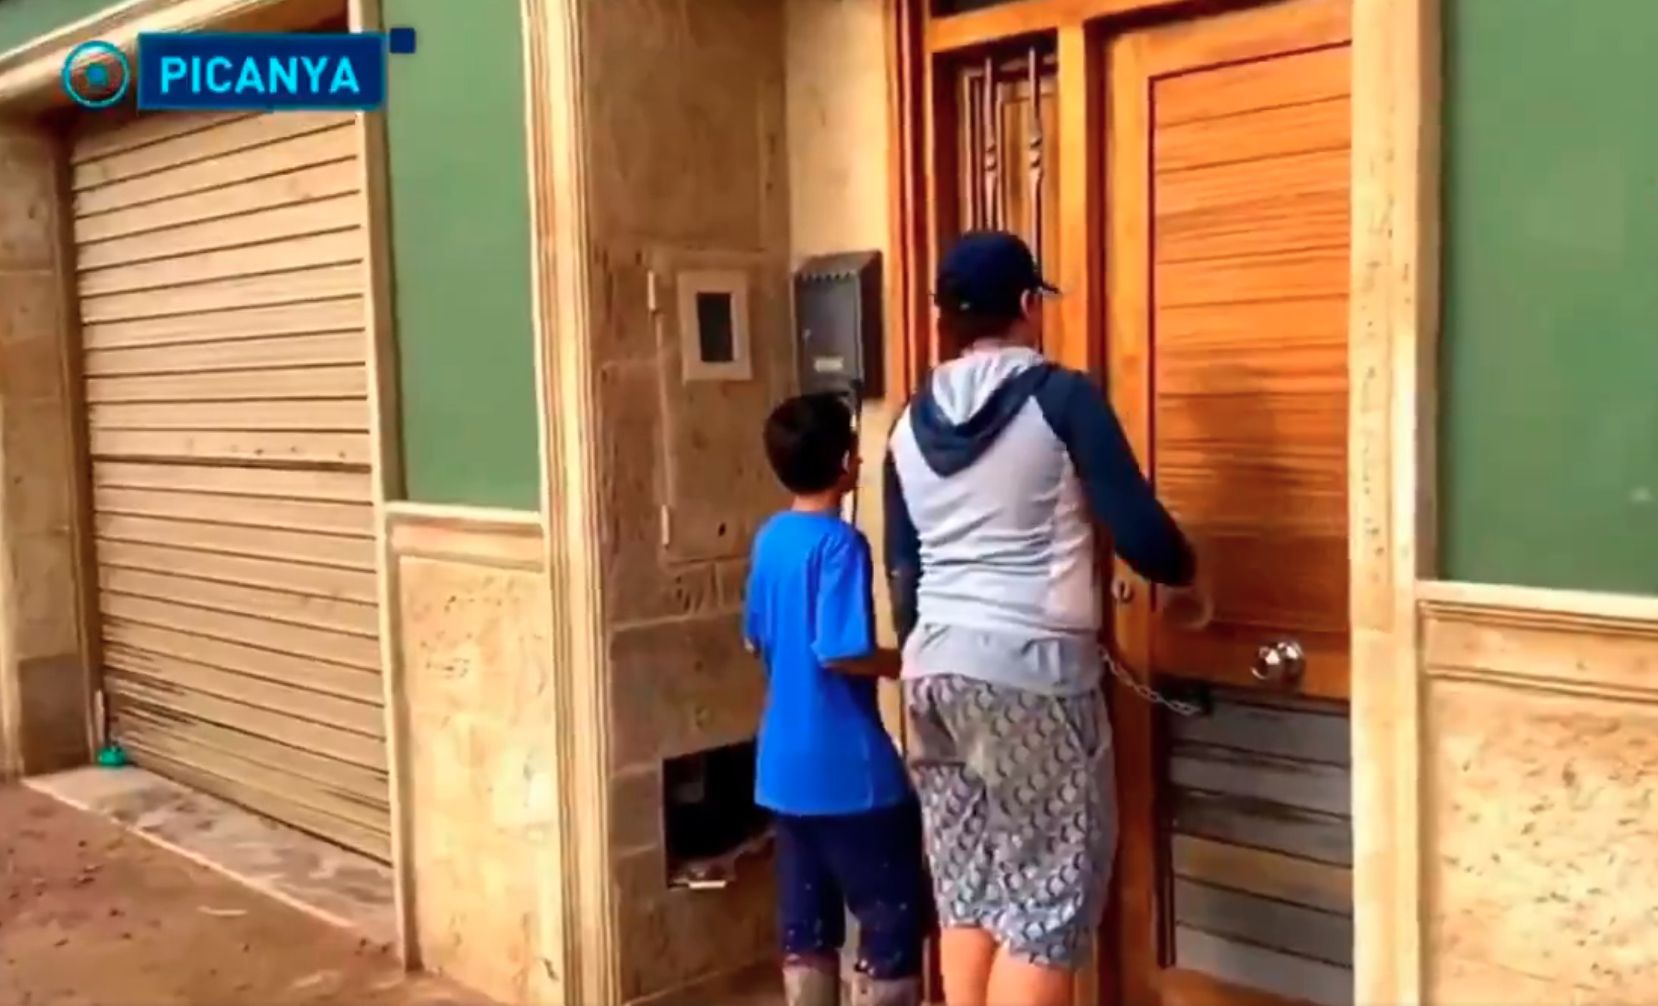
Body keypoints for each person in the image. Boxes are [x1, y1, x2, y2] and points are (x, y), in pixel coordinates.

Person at [883, 231, 1203, 1006]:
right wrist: (1193, 575)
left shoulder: (904, 422)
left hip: (933, 676)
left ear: (944, 320)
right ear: (1029, 306)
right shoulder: (1062, 399)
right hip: (1032, 678)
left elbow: (904, 576)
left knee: (969, 888)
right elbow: (1144, 538)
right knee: (1045, 909)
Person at [744, 393, 933, 1006]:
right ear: (848, 461)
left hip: (782, 771)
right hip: (853, 778)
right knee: (890, 925)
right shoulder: (841, 545)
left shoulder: (771, 538)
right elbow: (840, 649)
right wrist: (906, 662)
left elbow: (756, 639)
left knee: (807, 931)